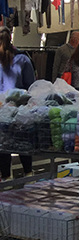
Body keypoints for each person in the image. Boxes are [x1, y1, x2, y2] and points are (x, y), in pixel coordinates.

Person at [0, 27, 35, 180]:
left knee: (3, 144)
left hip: (1, 109)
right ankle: (28, 174)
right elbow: (31, 85)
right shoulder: (23, 58)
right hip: (20, 108)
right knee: (22, 141)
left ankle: (6, 177)